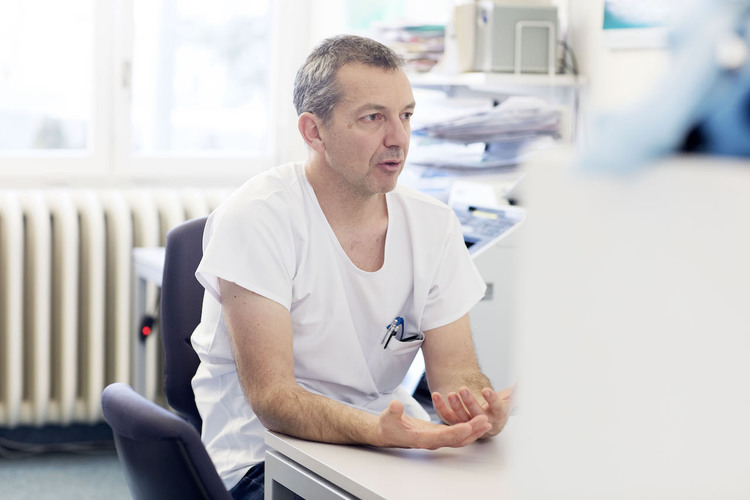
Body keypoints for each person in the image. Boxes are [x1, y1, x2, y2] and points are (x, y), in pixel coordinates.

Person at [191, 34, 514, 500]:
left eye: (405, 115)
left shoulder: (433, 225)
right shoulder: (258, 217)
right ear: (313, 132)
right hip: (265, 457)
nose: (398, 138)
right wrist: (381, 432)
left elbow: (455, 374)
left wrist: (477, 406)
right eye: (373, 118)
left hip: (382, 447)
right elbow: (274, 401)